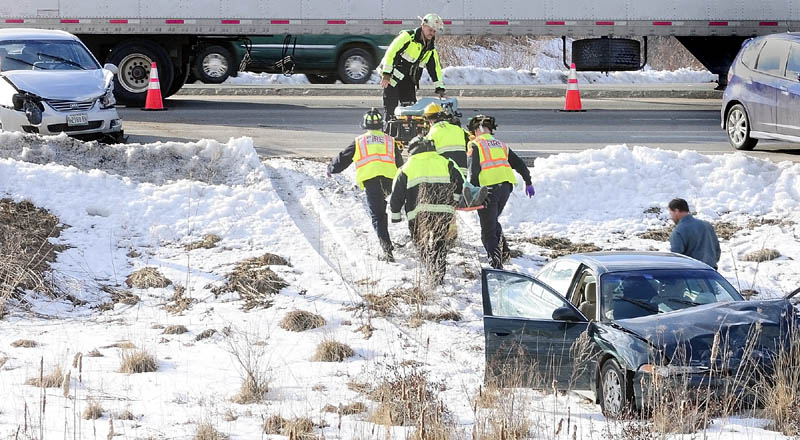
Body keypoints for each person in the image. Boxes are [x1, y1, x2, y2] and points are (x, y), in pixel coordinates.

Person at [328, 108, 403, 262]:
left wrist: (331, 169)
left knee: (378, 215)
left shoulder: (360, 141)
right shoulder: (390, 140)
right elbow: (399, 162)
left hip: (372, 181)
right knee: (383, 211)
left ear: (365, 125)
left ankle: (387, 250)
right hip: (390, 181)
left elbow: (343, 159)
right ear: (381, 125)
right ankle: (387, 240)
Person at [390, 137, 464, 284]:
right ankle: (439, 273)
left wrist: (395, 215)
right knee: (440, 242)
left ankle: (429, 266)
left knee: (420, 243)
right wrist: (454, 200)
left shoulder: (407, 167)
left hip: (418, 214)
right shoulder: (445, 162)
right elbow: (459, 182)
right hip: (443, 211)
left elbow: (397, 194)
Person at [467, 115, 535, 269]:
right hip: (505, 188)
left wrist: (472, 193)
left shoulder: (475, 144)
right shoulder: (500, 144)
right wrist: (528, 181)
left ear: (476, 130)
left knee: (487, 230)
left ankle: (496, 264)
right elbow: (519, 164)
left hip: (487, 191)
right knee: (492, 220)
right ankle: (504, 252)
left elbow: (474, 172)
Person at [379, 13, 446, 118]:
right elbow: (390, 52)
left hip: (409, 79)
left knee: (410, 109)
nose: (432, 33)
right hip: (392, 77)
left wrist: (440, 87)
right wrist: (386, 74)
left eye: (434, 31)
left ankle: (407, 133)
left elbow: (435, 68)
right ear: (423, 26)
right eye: (430, 30)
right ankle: (389, 131)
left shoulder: (430, 48)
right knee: (391, 109)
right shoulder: (407, 37)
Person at [668, 198, 721, 269]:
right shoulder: (707, 225)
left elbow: (677, 258)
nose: (671, 217)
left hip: (691, 273)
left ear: (676, 211)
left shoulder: (678, 231)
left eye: (671, 213)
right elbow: (717, 250)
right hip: (711, 274)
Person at [423, 102, 470, 174]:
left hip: (444, 174)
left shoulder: (431, 134)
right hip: (462, 173)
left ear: (429, 120)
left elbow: (427, 157)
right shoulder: (458, 129)